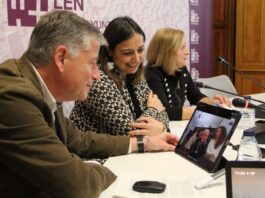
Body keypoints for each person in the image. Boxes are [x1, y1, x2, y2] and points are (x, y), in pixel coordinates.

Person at [0, 10, 179, 198]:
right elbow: (78, 185)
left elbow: (78, 140)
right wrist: (105, 170)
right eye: (92, 63)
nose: (96, 74)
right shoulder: (12, 96)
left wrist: (145, 143)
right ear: (61, 58)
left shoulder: (39, 89)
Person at [70, 16, 169, 136]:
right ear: (109, 50)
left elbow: (163, 113)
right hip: (95, 153)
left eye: (140, 50)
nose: (137, 59)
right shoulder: (97, 80)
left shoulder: (136, 75)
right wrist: (153, 109)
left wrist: (161, 127)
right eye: (127, 53)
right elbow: (129, 132)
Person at [145, 28, 231, 120]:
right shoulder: (151, 74)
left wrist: (213, 103)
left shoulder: (181, 69)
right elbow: (164, 112)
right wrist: (201, 111)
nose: (187, 52)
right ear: (167, 52)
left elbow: (195, 96)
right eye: (182, 48)